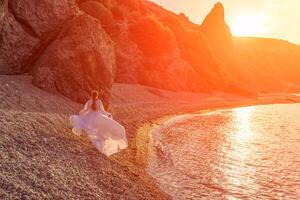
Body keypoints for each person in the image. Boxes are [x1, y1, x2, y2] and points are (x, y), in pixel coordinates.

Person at [70, 90, 128, 156]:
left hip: (90, 117)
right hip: (98, 117)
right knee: (100, 131)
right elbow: (102, 110)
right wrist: (108, 114)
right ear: (97, 95)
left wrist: (81, 113)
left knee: (95, 131)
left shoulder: (89, 101)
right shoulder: (99, 102)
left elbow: (85, 110)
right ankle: (101, 145)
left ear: (91, 95)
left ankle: (99, 144)